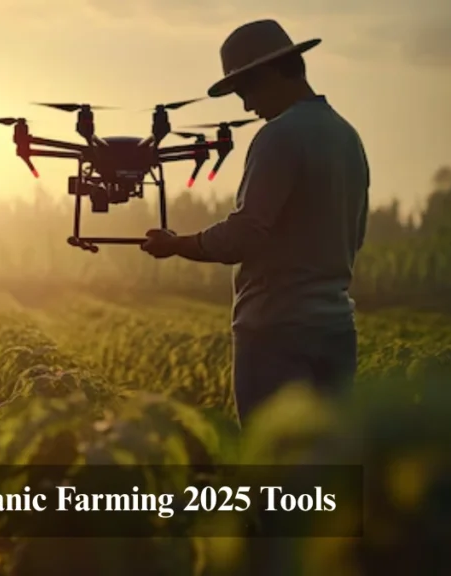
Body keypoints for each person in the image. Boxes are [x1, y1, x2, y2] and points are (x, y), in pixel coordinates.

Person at [140, 19, 370, 427]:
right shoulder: (346, 136)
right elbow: (357, 235)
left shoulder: (279, 136)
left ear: (271, 72)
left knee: (276, 472)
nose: (247, 106)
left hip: (277, 332)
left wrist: (177, 244)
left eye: (246, 90)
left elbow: (244, 235)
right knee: (327, 466)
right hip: (336, 331)